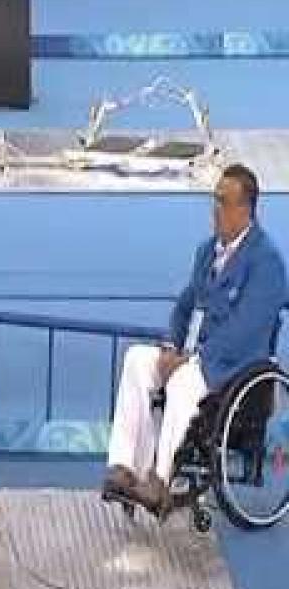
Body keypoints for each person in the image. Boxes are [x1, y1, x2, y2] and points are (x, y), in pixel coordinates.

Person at [103, 164, 286, 517]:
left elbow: (245, 330)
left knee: (185, 380)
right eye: (214, 200)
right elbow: (184, 306)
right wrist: (172, 346)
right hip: (195, 356)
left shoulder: (267, 264)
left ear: (245, 209)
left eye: (223, 201)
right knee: (138, 360)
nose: (215, 209)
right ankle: (124, 466)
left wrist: (192, 359)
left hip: (233, 367)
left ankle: (160, 479)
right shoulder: (207, 251)